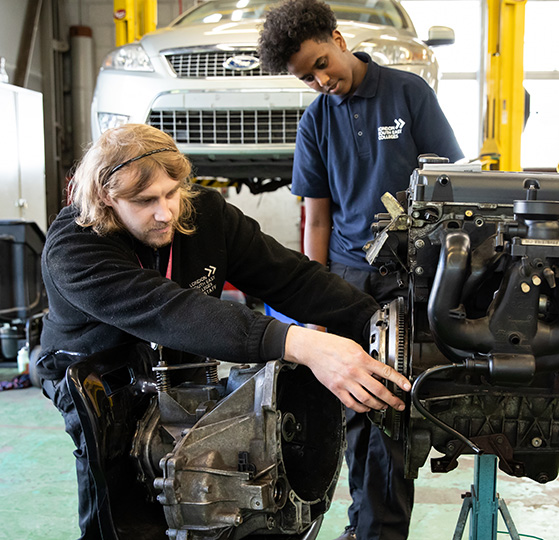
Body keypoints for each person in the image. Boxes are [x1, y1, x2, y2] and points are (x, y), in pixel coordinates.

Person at [37, 123, 411, 540]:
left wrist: (372, 320)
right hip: (99, 377)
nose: (166, 213)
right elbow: (171, 310)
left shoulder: (204, 214)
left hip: (180, 362)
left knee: (205, 488)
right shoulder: (74, 246)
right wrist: (299, 343)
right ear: (107, 196)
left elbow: (289, 276)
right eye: (145, 201)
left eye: (171, 192)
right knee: (122, 509)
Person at [259, 2, 464, 539]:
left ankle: (378, 530)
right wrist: (311, 302)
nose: (323, 80)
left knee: (392, 406)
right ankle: (364, 524)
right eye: (308, 77)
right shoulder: (316, 121)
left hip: (414, 276)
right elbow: (317, 218)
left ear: (338, 37)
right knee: (354, 405)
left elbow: (452, 188)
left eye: (324, 63)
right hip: (350, 278)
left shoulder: (408, 94)